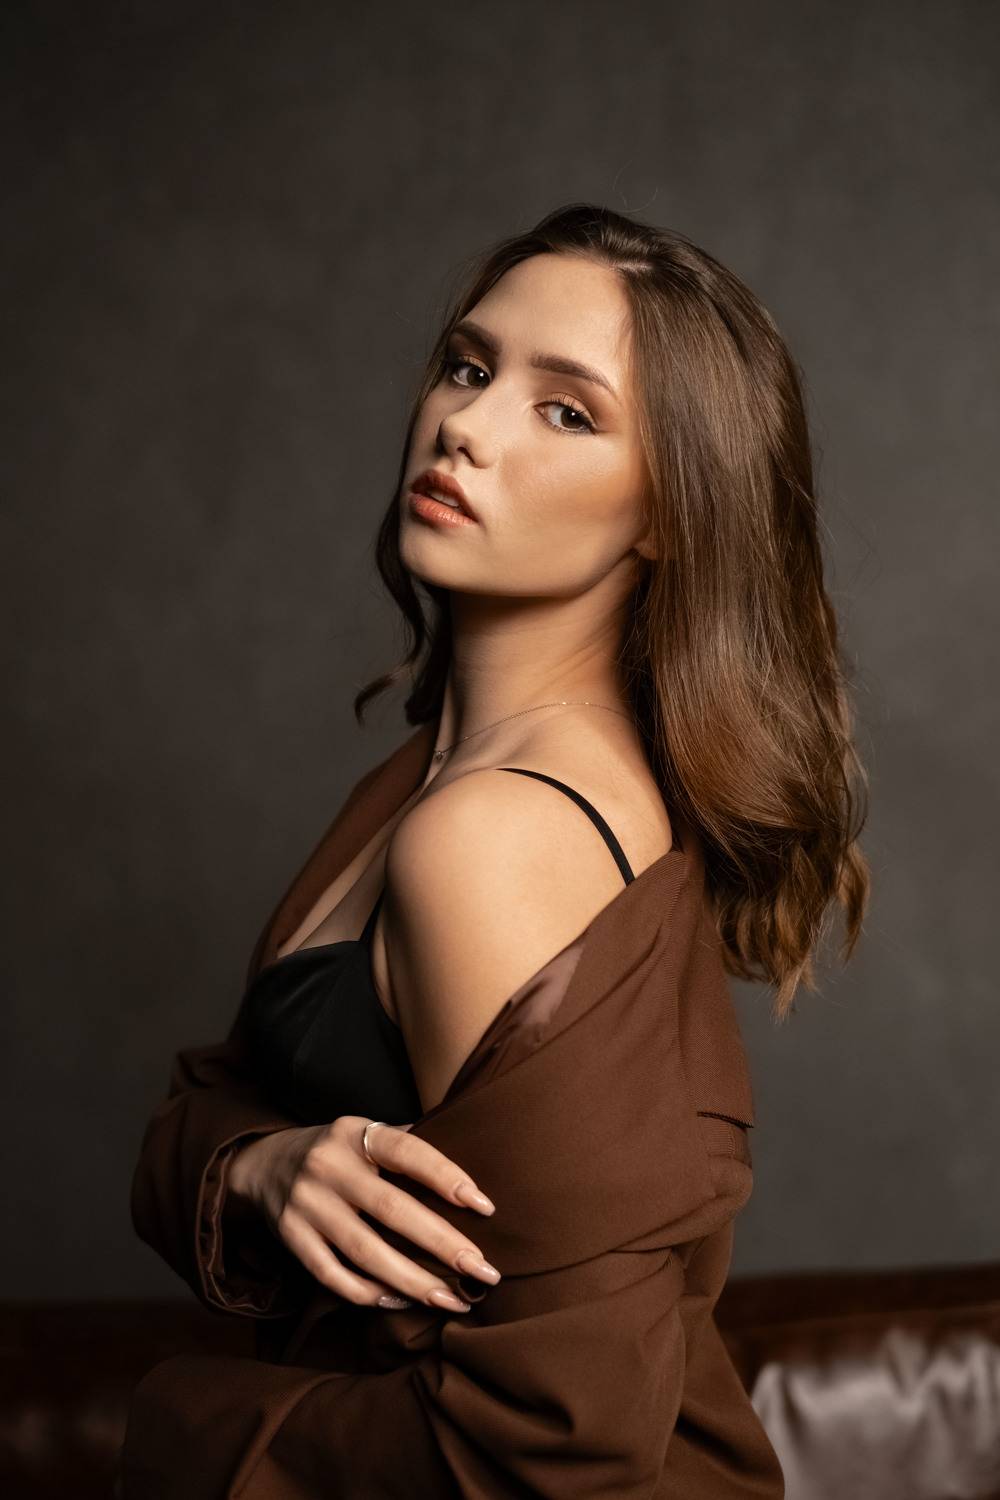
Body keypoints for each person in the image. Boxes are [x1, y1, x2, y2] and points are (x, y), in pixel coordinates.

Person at [122, 202, 869, 1497]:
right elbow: (207, 1097)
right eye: (469, 368)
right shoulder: (425, 781)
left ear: (666, 517)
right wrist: (261, 1166)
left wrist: (187, 1431)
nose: (465, 425)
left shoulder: (493, 836)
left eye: (566, 412)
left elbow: (562, 1446)